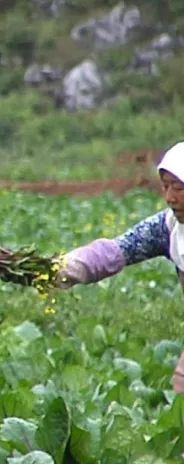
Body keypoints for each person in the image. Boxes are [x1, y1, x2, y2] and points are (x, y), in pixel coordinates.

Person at [57, 141, 184, 391]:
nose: (170, 198)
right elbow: (117, 251)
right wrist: (59, 269)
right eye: (165, 187)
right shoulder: (168, 228)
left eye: (178, 188)